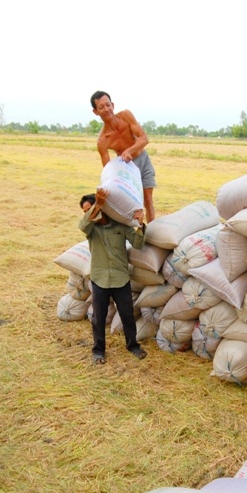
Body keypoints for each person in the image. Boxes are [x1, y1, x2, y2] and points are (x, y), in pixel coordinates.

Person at [79, 189, 148, 365]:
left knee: (127, 315)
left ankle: (133, 346)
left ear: (103, 207)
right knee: (98, 318)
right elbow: (82, 225)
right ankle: (98, 351)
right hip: (99, 279)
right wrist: (95, 207)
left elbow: (138, 244)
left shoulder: (121, 226)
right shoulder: (91, 229)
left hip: (120, 278)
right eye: (85, 211)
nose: (88, 213)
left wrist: (140, 224)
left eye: (89, 209)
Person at [91, 91, 157, 222]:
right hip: (128, 169)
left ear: (113, 105)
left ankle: (152, 231)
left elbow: (144, 139)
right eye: (101, 107)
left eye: (108, 105)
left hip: (143, 159)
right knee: (135, 205)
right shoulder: (103, 140)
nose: (106, 109)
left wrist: (129, 151)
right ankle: (135, 231)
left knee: (148, 200)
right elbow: (108, 170)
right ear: (95, 112)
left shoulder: (126, 116)